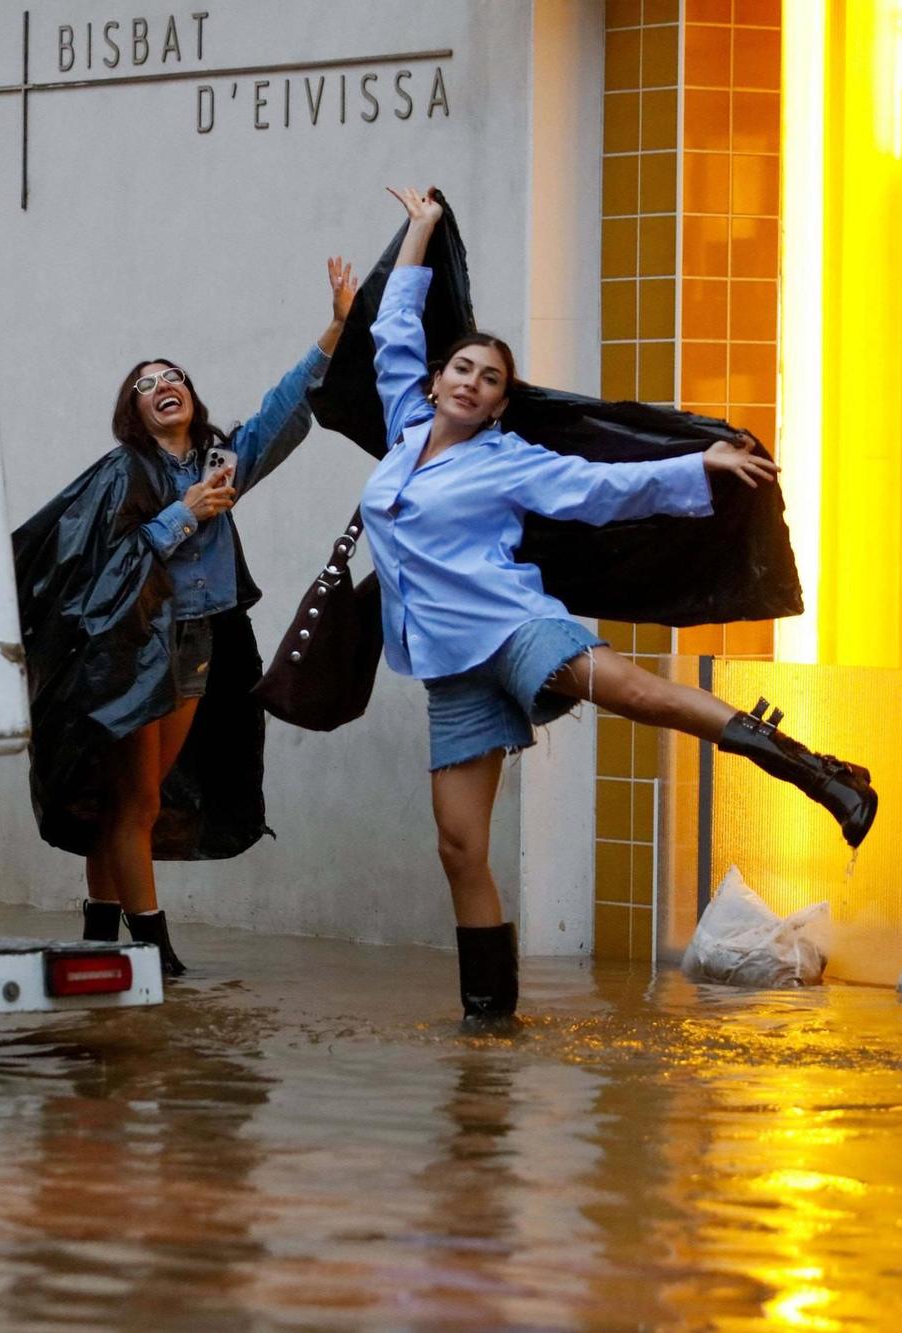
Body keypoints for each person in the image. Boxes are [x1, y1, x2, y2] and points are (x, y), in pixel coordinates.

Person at [365, 187, 876, 1024]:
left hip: (513, 626)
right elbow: (393, 325)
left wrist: (699, 467)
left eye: (491, 378)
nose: (472, 382)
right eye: (463, 367)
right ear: (438, 378)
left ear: (500, 403)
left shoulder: (511, 460)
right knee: (460, 847)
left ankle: (814, 769)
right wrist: (420, 229)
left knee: (632, 692)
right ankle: (489, 1025)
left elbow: (602, 489)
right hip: (448, 664)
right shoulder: (402, 421)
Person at [13, 259, 359, 976]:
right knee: (135, 798)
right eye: (145, 384)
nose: (162, 385)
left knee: (137, 799)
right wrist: (183, 514)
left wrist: (336, 327)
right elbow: (99, 569)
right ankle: (153, 951)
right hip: (133, 645)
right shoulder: (122, 473)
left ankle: (100, 935)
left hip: (198, 639)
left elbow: (284, 410)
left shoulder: (223, 460)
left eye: (172, 376)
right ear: (132, 412)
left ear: (192, 398)